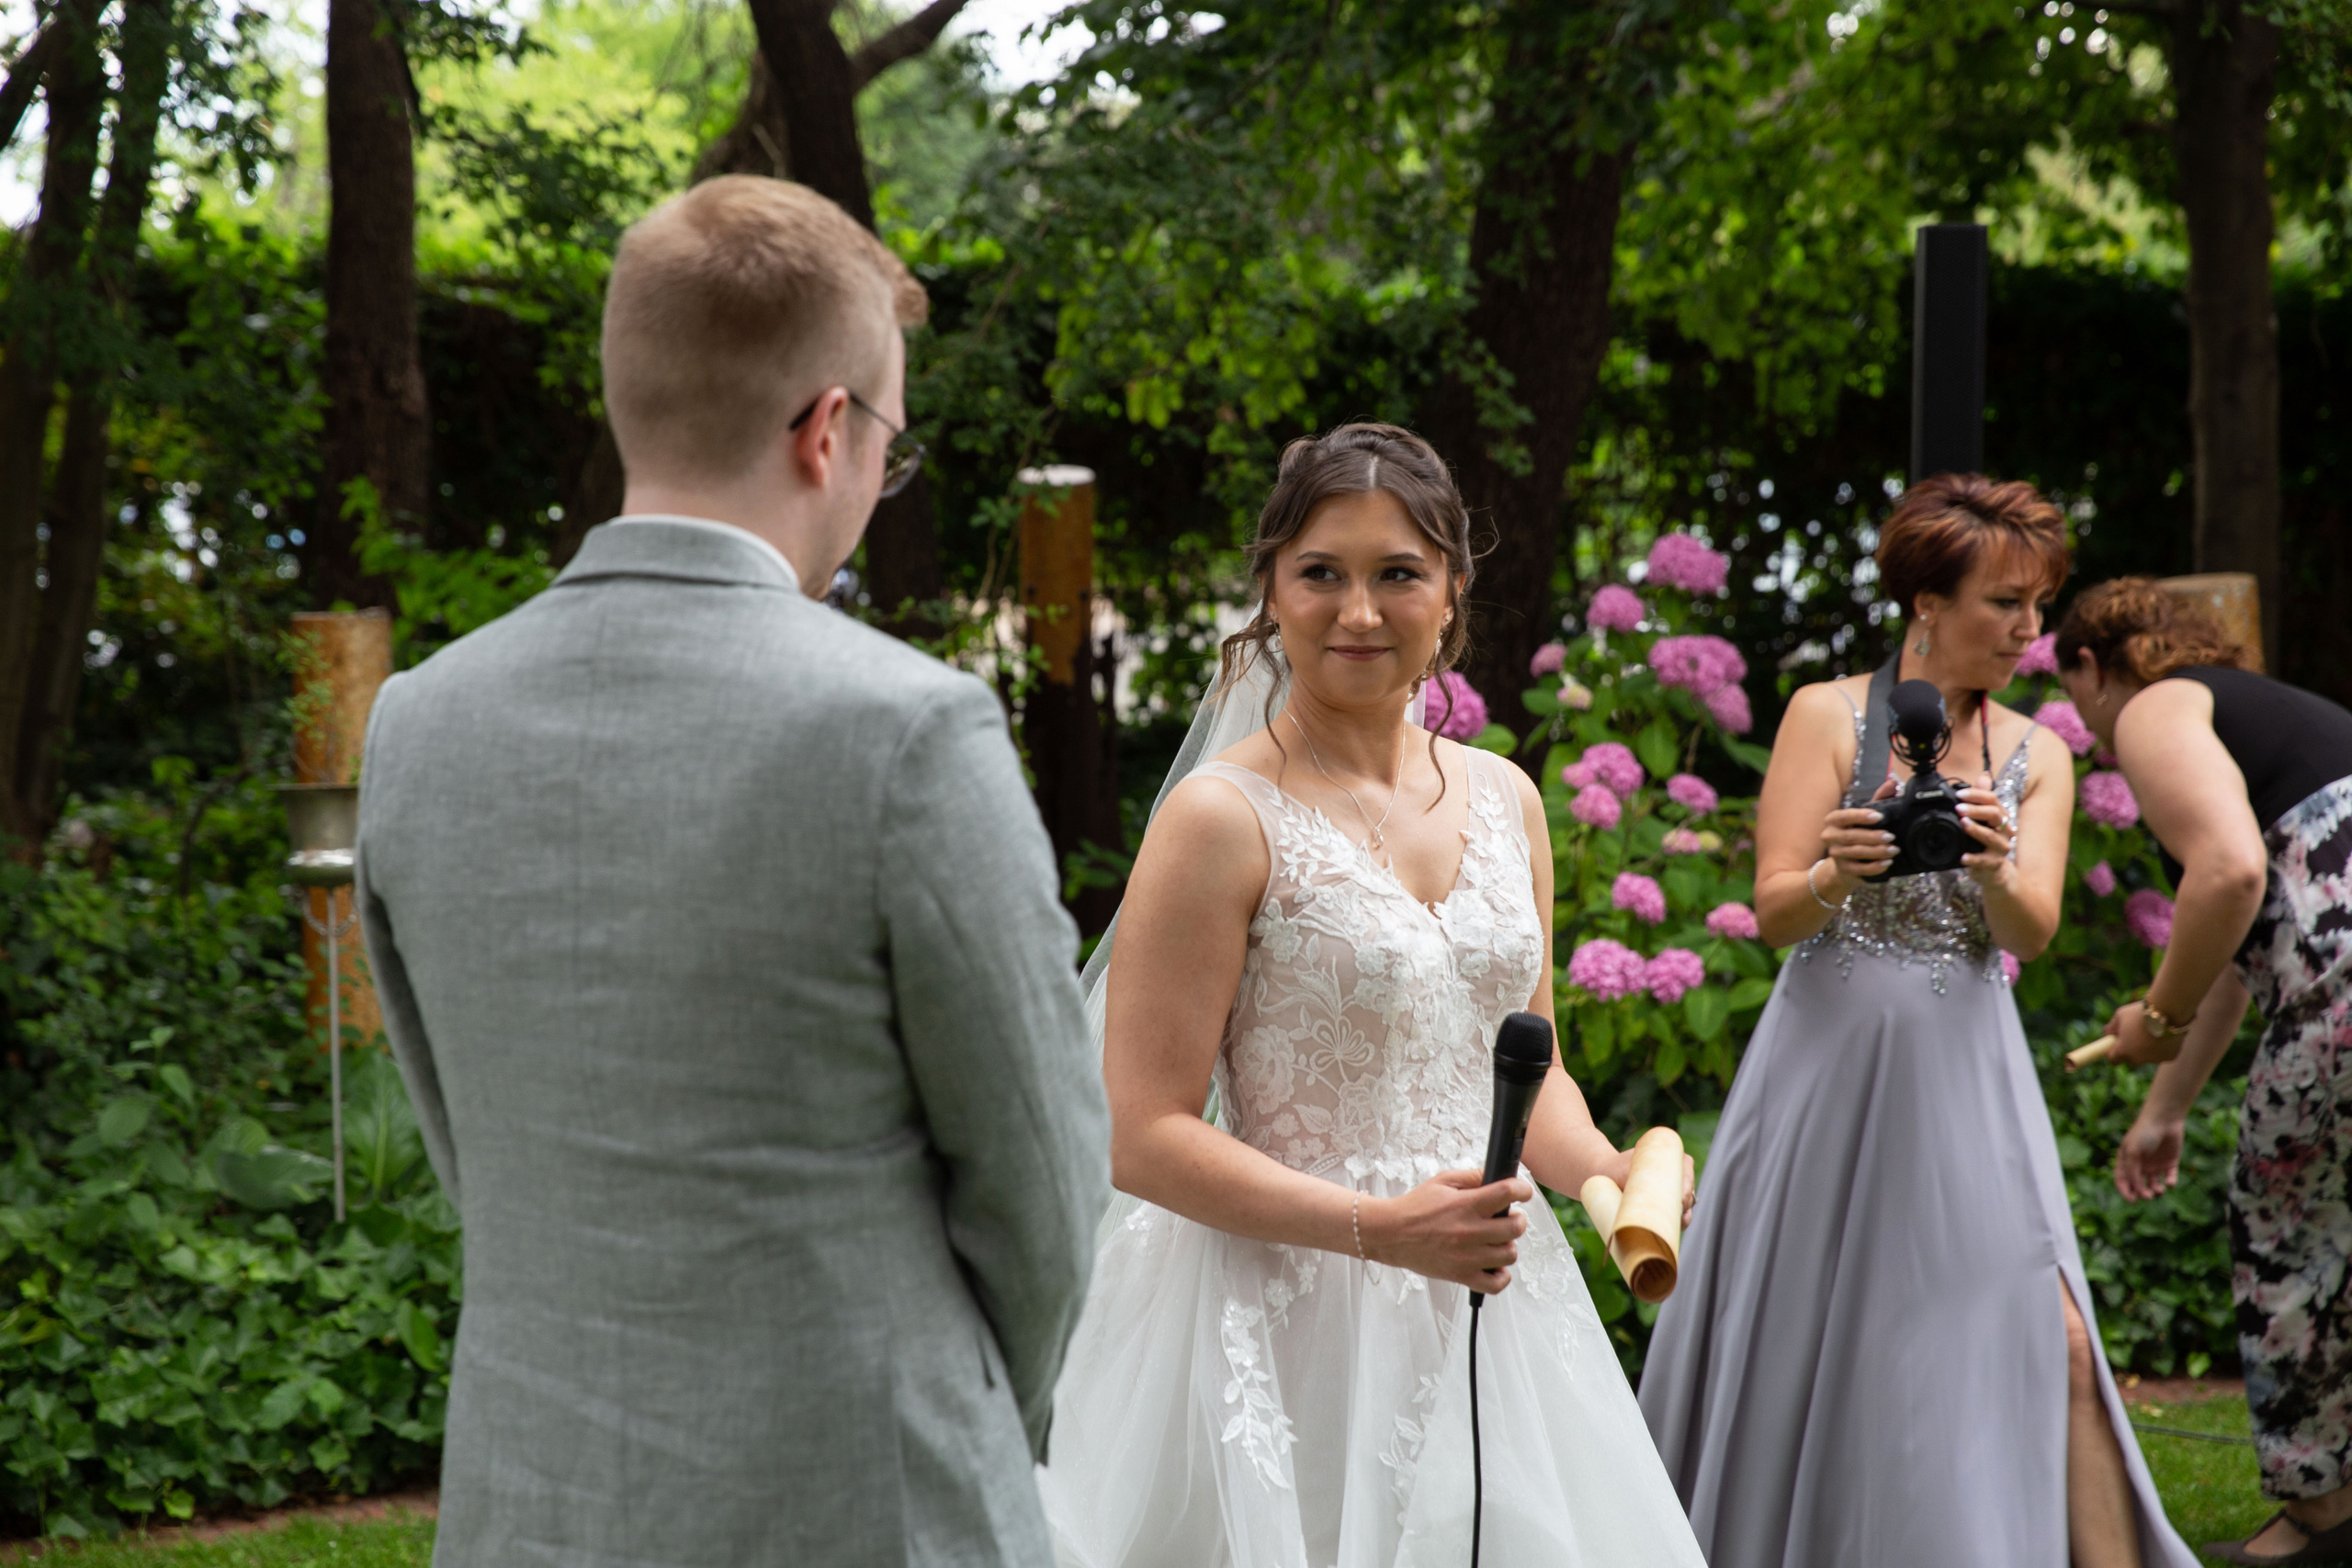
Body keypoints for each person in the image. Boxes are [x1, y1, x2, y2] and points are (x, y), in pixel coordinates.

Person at [356, 176, 1111, 1567]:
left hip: (536, 1501)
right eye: (890, 439)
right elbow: (1044, 1187)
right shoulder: (908, 731)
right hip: (858, 1500)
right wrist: (961, 1413)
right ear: (827, 430)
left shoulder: (416, 723)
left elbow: (472, 1151)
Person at [1035, 423, 1706, 1567]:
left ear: (1451, 591)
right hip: (1284, 1308)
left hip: (1486, 1304)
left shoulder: (1506, 799)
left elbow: (1522, 1070)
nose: (1358, 612)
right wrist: (1380, 1230)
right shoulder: (1218, 818)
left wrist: (1608, 1173)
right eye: (1320, 574)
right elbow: (1136, 1133)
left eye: (1397, 573)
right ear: (1270, 590)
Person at [1638, 475, 2196, 1568]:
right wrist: (1837, 868)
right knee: (1820, 1338)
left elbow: (2031, 932)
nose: (2029, 630)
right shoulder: (1825, 714)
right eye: (2006, 603)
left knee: (2052, 1332)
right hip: (1825, 1068)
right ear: (1926, 604)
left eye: (2038, 605)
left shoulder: (2041, 752)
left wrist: (1992, 866)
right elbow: (1773, 910)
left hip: (1964, 1076)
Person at [2056, 579, 2352, 1566]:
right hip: (2327, 992)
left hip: (2340, 996)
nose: (2087, 725)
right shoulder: (2278, 716)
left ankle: (2322, 1512)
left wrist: (2154, 1017)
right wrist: (2164, 1106)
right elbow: (2237, 941)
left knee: (2284, 1226)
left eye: (2072, 693)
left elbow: (2225, 873)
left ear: (2092, 666)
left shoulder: (2154, 706)